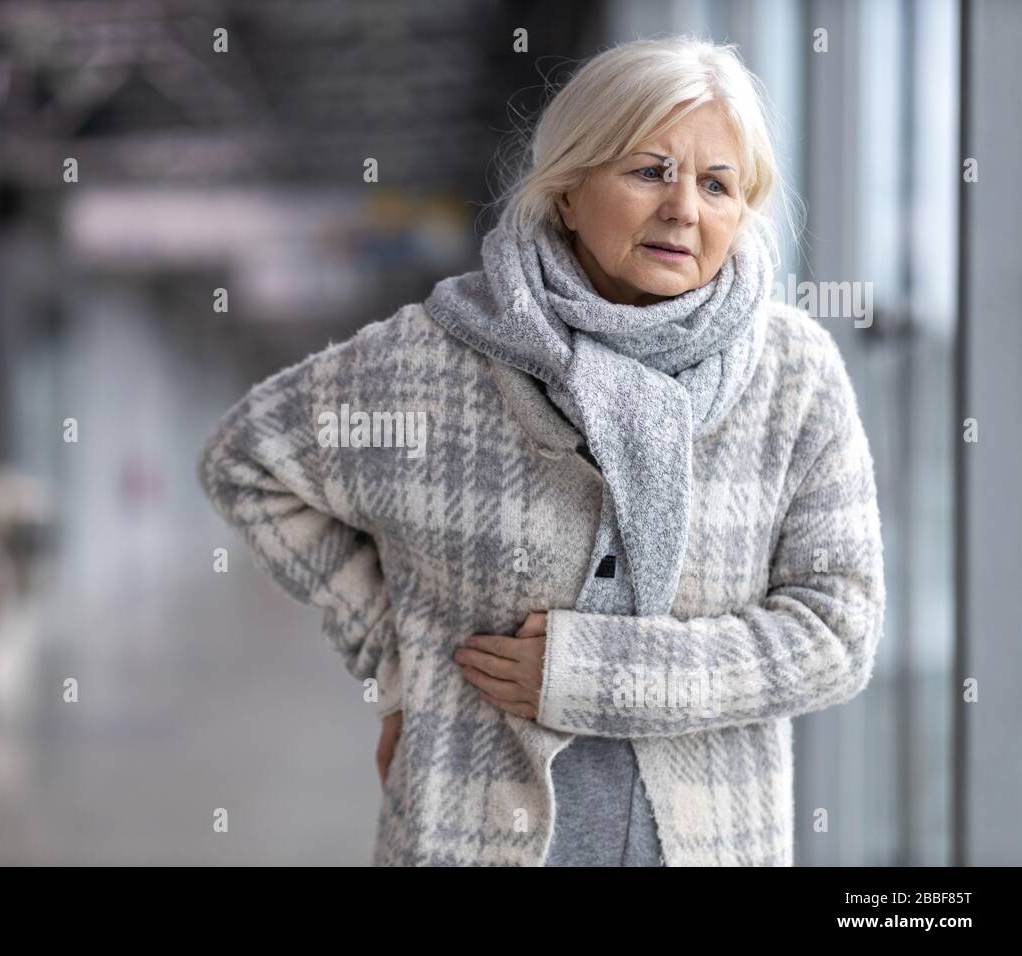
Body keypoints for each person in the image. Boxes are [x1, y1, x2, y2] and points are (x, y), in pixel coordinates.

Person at [196, 34, 885, 866]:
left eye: (716, 184)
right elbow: (248, 459)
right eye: (648, 170)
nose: (683, 209)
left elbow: (838, 632)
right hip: (469, 833)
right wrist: (397, 669)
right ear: (567, 191)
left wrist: (603, 674)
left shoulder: (793, 373)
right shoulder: (437, 358)